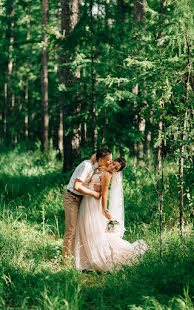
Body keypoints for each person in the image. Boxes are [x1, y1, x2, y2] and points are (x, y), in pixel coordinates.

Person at [74, 158, 147, 271]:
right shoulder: (101, 168)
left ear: (117, 171)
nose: (112, 167)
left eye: (115, 168)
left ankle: (97, 258)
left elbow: (105, 194)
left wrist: (104, 209)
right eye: (113, 164)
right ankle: (85, 257)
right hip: (87, 200)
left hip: (94, 203)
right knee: (85, 228)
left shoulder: (108, 175)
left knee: (92, 229)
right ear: (111, 161)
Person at [62, 148, 112, 262]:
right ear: (100, 160)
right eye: (108, 160)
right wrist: (94, 193)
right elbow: (77, 186)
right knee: (71, 230)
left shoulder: (95, 165)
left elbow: (96, 157)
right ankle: (65, 261)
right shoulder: (87, 166)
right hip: (72, 198)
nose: (110, 162)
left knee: (82, 229)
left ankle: (79, 258)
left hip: (82, 199)